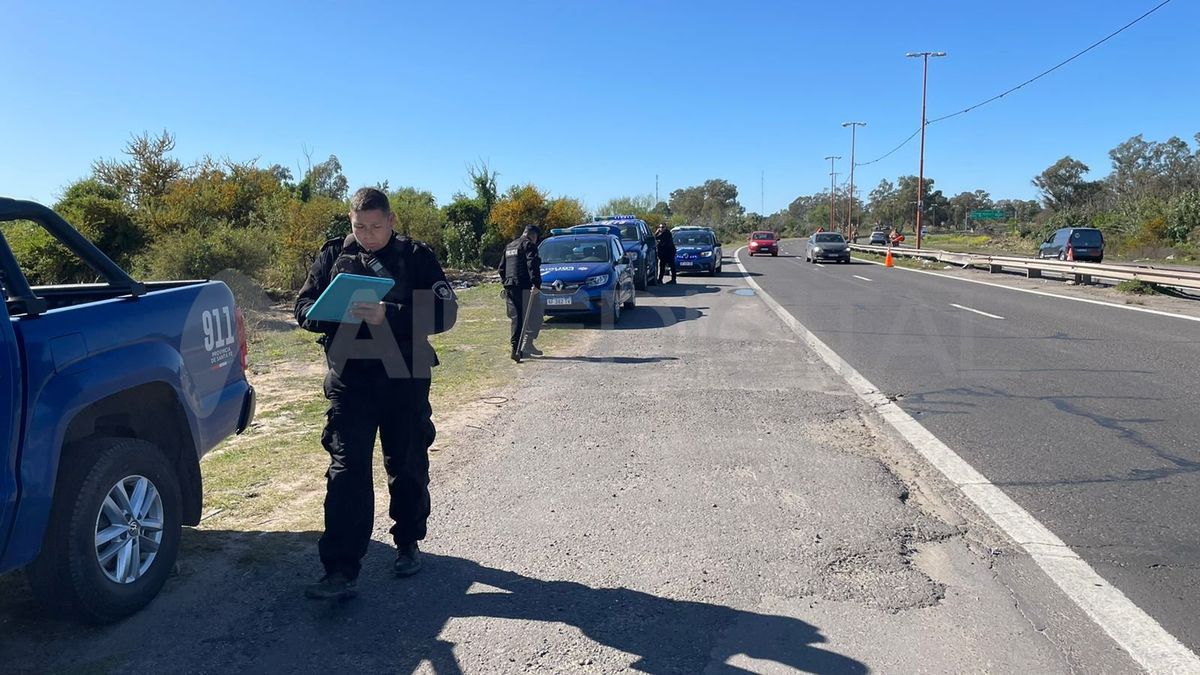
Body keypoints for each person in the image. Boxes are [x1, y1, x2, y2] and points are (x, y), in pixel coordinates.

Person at [294, 187, 458, 601]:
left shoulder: (416, 256)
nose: (367, 234)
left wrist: (391, 313)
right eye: (359, 226)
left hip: (405, 376)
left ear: (391, 221)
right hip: (350, 380)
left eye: (375, 226)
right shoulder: (332, 255)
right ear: (350, 222)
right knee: (346, 471)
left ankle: (407, 541)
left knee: (406, 462)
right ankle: (341, 569)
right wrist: (328, 313)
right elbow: (303, 308)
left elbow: (445, 312)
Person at [498, 225, 542, 362]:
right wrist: (536, 283)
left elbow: (501, 268)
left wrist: (506, 282)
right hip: (524, 286)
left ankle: (516, 348)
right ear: (533, 235)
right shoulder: (528, 245)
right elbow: (532, 264)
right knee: (537, 314)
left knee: (517, 318)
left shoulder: (510, 246)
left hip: (510, 286)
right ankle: (525, 345)